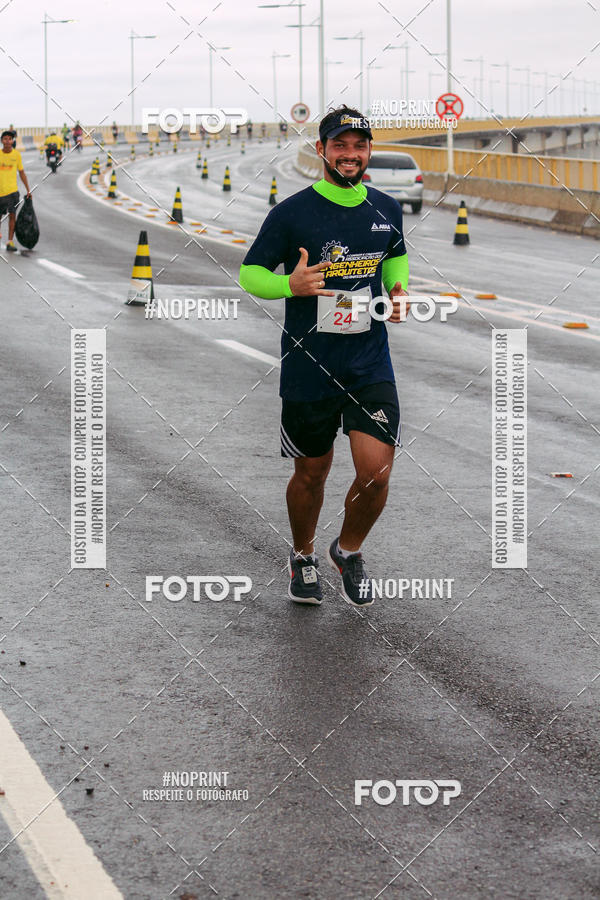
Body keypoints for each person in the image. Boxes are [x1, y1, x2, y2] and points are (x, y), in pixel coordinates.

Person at [239, 105, 410, 608]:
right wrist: (287, 283)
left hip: (368, 360)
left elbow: (394, 255)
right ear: (322, 150)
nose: (350, 154)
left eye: (359, 146)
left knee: (376, 472)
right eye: (340, 145)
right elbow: (250, 273)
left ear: (369, 151)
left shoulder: (386, 208)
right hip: (309, 363)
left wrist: (399, 289)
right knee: (311, 473)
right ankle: (303, 555)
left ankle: (348, 550)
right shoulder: (291, 214)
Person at [0, 129, 31, 251]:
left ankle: (10, 242)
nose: (8, 141)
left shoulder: (16, 155)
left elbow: (22, 172)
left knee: (12, 216)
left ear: (13, 141)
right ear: (2, 141)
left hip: (13, 192)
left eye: (10, 139)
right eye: (5, 139)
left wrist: (28, 190)